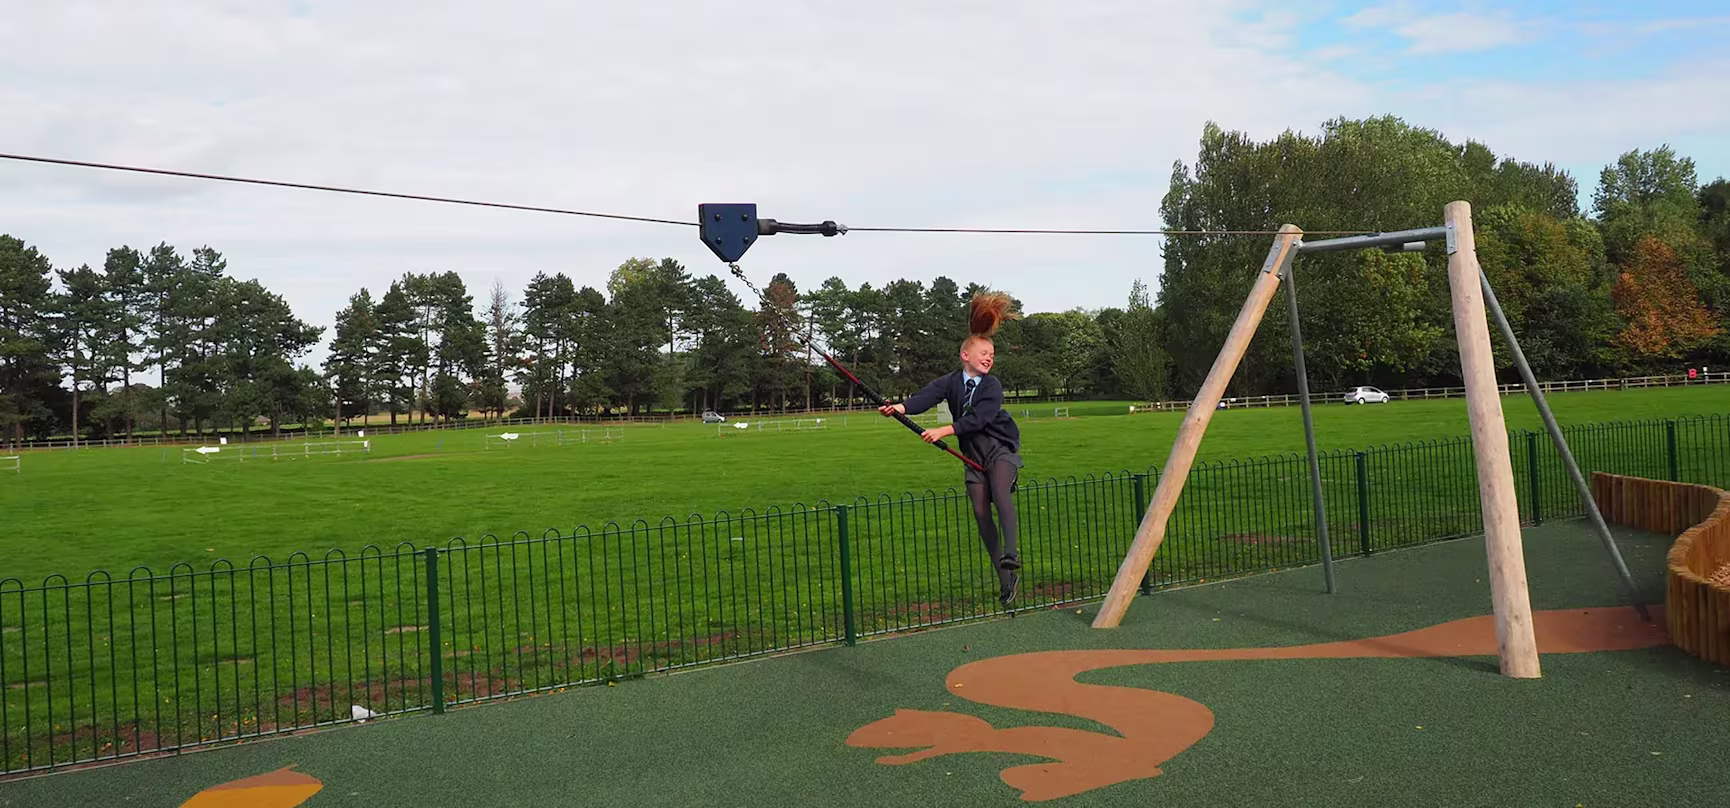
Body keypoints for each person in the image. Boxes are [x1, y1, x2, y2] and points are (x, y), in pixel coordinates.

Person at [880, 292, 1024, 607]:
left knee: (1000, 494)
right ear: (965, 355)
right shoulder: (950, 383)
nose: (989, 357)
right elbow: (924, 398)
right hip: (973, 458)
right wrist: (899, 408)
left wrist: (944, 430)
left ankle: (1011, 554)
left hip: (1000, 451)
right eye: (984, 352)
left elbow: (979, 418)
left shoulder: (992, 386)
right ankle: (1006, 580)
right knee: (981, 513)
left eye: (992, 354)